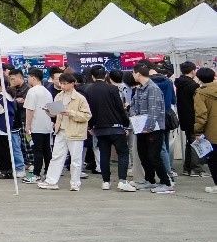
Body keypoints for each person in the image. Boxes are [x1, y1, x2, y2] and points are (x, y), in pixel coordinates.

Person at [81, 65, 136, 192]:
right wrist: (125, 123)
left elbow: (89, 110)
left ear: (93, 76)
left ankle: (106, 181)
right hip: (116, 127)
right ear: (106, 75)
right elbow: (120, 108)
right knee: (123, 153)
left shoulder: (88, 90)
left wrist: (91, 126)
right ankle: (122, 180)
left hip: (99, 128)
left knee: (104, 154)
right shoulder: (112, 89)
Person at [38, 73, 92, 191]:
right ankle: (51, 181)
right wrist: (49, 111)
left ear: (72, 84)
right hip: (61, 130)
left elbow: (87, 115)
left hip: (75, 131)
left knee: (75, 160)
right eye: (61, 83)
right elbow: (55, 113)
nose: (62, 86)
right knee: (56, 157)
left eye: (65, 83)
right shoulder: (59, 96)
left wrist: (70, 113)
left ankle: (75, 183)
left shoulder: (80, 98)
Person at [129, 62, 172, 194]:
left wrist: (149, 126)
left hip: (153, 129)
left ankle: (166, 182)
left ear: (138, 74)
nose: (132, 75)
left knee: (154, 156)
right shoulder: (139, 89)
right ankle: (150, 180)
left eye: (133, 73)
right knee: (143, 154)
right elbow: (133, 106)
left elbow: (154, 110)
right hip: (140, 128)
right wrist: (134, 118)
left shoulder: (153, 88)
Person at [22, 69, 53, 184]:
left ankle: (36, 174)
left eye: (28, 77)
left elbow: (30, 110)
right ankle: (48, 173)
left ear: (33, 78)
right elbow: (52, 110)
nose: (28, 79)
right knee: (47, 150)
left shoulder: (32, 91)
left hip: (36, 125)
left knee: (37, 151)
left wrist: (27, 126)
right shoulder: (47, 92)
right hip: (47, 126)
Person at [190, 67, 217, 193]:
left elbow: (201, 115)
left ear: (199, 78)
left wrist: (198, 131)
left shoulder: (201, 93)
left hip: (212, 132)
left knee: (213, 159)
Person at [176, 62, 201, 177]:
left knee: (189, 142)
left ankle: (187, 167)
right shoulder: (193, 85)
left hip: (184, 117)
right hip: (193, 117)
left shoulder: (179, 83)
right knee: (195, 142)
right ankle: (195, 169)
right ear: (192, 71)